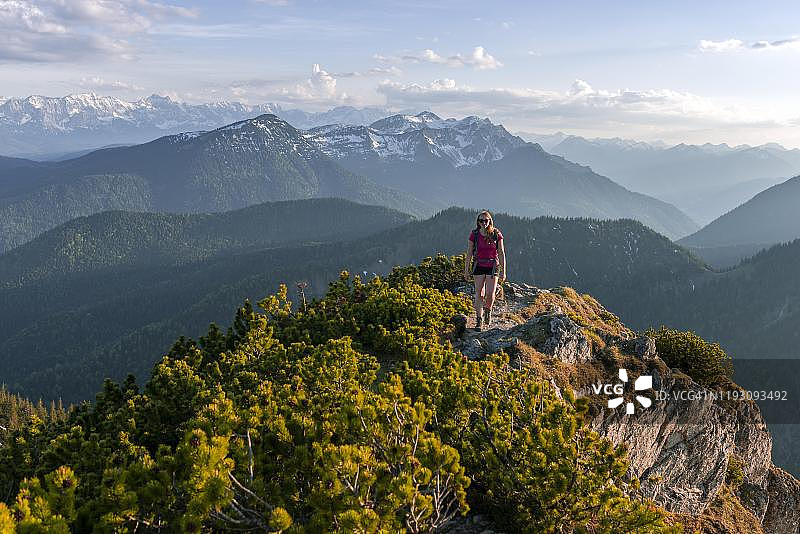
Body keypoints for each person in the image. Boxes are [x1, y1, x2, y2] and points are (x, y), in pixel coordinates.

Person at [464, 210, 506, 330]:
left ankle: (488, 309)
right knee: (479, 293)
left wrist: (503, 272)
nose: (483, 223)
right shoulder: (474, 234)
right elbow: (469, 253)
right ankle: (479, 319)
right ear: (478, 222)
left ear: (490, 221)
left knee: (490, 294)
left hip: (493, 267)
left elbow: (501, 253)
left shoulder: (496, 234)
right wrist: (466, 270)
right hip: (479, 266)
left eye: (486, 220)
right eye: (481, 220)